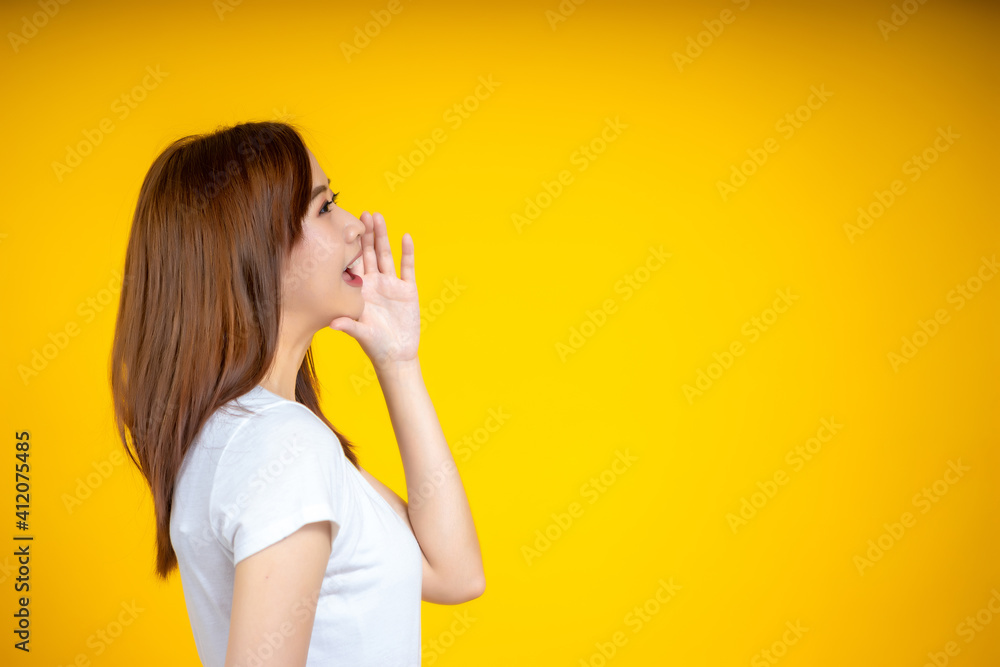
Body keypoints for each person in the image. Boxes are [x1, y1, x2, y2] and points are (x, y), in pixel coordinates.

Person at [110, 120, 485, 666]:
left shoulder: (255, 436)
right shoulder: (283, 446)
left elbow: (455, 571)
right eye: (324, 208)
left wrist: (398, 360)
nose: (357, 226)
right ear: (254, 252)